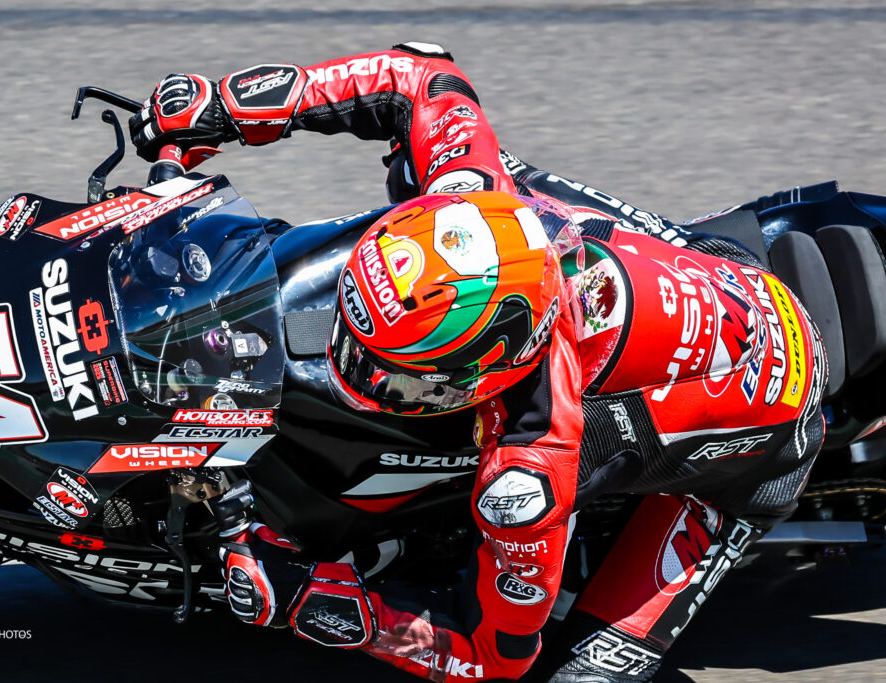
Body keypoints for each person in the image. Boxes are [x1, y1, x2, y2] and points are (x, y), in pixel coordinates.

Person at [129, 44, 827, 682]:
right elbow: (416, 74)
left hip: (774, 430)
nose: (352, 368)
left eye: (393, 372)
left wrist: (316, 601)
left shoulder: (526, 473)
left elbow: (489, 655)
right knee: (416, 161)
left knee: (569, 677)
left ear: (485, 371)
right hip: (714, 273)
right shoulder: (468, 193)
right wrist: (229, 106)